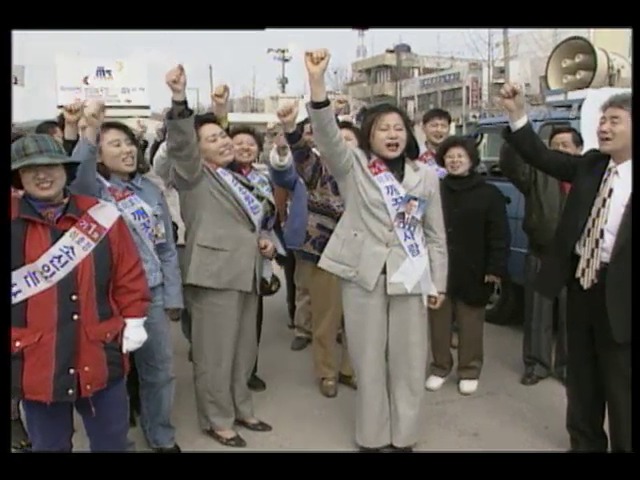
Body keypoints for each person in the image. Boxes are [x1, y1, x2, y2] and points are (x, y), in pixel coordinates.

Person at [303, 49, 448, 452]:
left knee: (407, 362)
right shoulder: (354, 167)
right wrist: (317, 84)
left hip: (411, 275)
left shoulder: (425, 177)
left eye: (398, 127)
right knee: (368, 363)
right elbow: (328, 135)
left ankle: (405, 436)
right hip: (364, 275)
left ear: (408, 133)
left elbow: (436, 235)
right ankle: (372, 436)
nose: (392, 134)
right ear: (369, 134)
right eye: (383, 128)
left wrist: (439, 281)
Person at [498, 84, 631, 452]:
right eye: (602, 120)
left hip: (623, 296)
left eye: (614, 121)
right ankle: (585, 444)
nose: (603, 127)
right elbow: (541, 157)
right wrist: (516, 113)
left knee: (622, 388)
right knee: (582, 382)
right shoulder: (591, 165)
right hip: (582, 285)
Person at [11, 134, 151, 452]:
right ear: (18, 176)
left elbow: (127, 273)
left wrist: (135, 317)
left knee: (112, 443)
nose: (42, 175)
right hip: (36, 360)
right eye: (30, 168)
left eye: (50, 166)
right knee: (48, 446)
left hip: (100, 353)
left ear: (66, 169)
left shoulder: (100, 216)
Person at [164, 64, 273, 448]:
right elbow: (180, 141)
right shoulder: (193, 174)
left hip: (246, 273)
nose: (224, 142)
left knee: (244, 351)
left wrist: (265, 242)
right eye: (212, 138)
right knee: (214, 354)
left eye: (223, 135)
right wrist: (180, 98)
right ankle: (216, 418)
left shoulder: (241, 175)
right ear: (197, 149)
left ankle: (242, 408)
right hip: (212, 274)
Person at [70, 101, 184, 453]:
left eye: (129, 142)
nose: (127, 149)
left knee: (159, 371)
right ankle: (115, 439)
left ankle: (161, 434)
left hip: (150, 294)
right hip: (105, 298)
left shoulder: (150, 191)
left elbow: (166, 246)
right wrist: (90, 128)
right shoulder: (91, 189)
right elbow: (79, 169)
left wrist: (173, 295)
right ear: (99, 153)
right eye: (115, 143)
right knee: (110, 374)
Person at [499, 127, 584, 386]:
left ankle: (569, 367)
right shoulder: (537, 172)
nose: (559, 150)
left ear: (578, 150)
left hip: (577, 257)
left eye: (565, 145)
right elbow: (512, 166)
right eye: (554, 145)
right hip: (541, 252)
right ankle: (537, 364)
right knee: (538, 314)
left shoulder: (588, 174)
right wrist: (515, 136)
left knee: (573, 316)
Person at [424, 136, 509, 395]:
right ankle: (440, 366)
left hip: (475, 267)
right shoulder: (435, 189)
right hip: (439, 267)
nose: (455, 160)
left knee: (470, 323)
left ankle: (469, 369)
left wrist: (495, 269)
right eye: (450, 156)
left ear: (471, 159)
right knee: (438, 323)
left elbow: (499, 235)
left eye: (460, 156)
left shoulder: (489, 193)